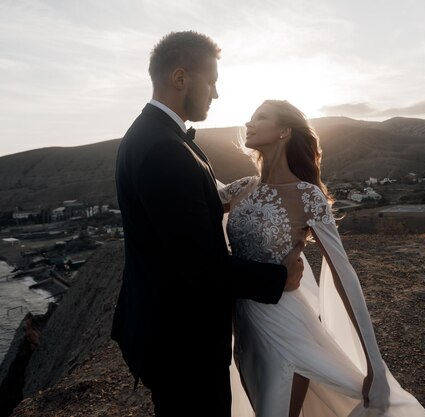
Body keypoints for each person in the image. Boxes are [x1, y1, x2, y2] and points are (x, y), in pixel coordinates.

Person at [111, 32, 306, 417]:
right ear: (180, 78)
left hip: (167, 329)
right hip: (182, 343)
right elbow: (199, 266)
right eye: (212, 80)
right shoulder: (164, 149)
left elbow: (177, 223)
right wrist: (277, 280)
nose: (216, 93)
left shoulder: (155, 136)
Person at [220, 99, 425, 417]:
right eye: (250, 117)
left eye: (260, 117)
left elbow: (343, 271)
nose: (249, 123)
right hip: (243, 326)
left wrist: (374, 362)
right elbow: (188, 202)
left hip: (286, 327)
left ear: (284, 131)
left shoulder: (308, 196)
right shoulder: (242, 188)